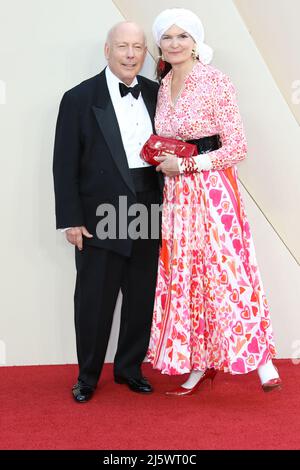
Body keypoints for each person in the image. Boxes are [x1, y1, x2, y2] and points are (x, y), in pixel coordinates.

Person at [147, 8, 282, 395]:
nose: (174, 44)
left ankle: (262, 361)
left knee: (229, 270)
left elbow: (237, 147)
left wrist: (187, 164)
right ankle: (198, 362)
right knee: (187, 277)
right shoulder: (163, 84)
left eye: (182, 37)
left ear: (195, 42)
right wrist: (165, 161)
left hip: (214, 190)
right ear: (160, 43)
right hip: (178, 196)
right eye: (167, 37)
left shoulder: (216, 81)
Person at [53, 22, 163, 402]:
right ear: (107, 50)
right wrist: (71, 219)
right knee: (94, 298)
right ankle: (86, 377)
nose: (131, 54)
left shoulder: (158, 93)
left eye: (138, 47)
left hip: (150, 204)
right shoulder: (79, 98)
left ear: (145, 52)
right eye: (122, 47)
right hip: (101, 210)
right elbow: (63, 164)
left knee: (140, 295)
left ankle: (129, 369)